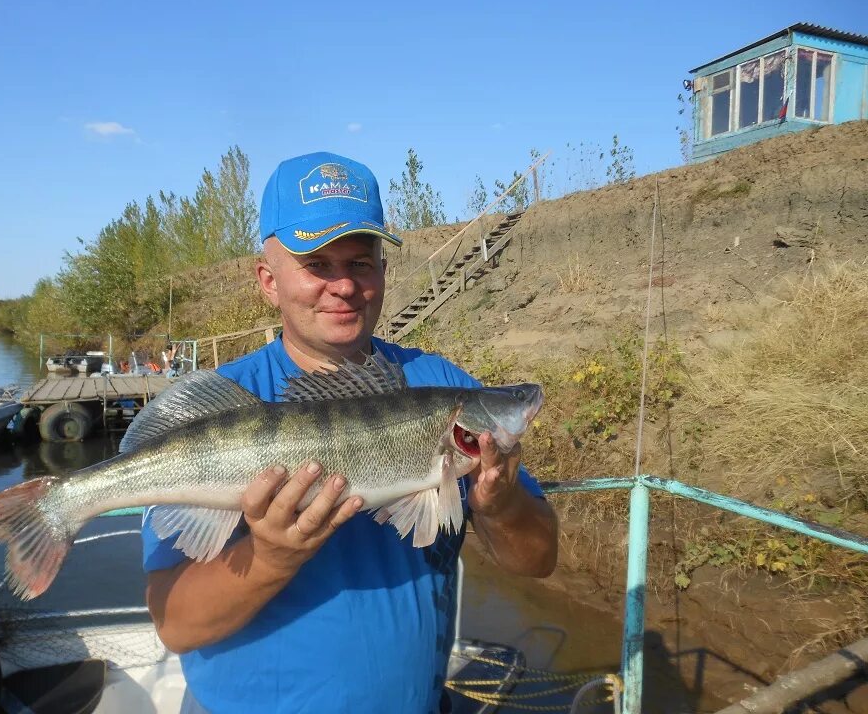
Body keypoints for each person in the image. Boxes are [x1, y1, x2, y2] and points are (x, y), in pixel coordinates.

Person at [142, 151, 559, 714]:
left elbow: (538, 560)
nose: (342, 285)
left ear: (383, 272)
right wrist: (270, 558)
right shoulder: (224, 404)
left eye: (360, 262)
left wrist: (502, 506)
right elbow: (174, 625)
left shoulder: (441, 383)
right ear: (269, 281)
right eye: (317, 264)